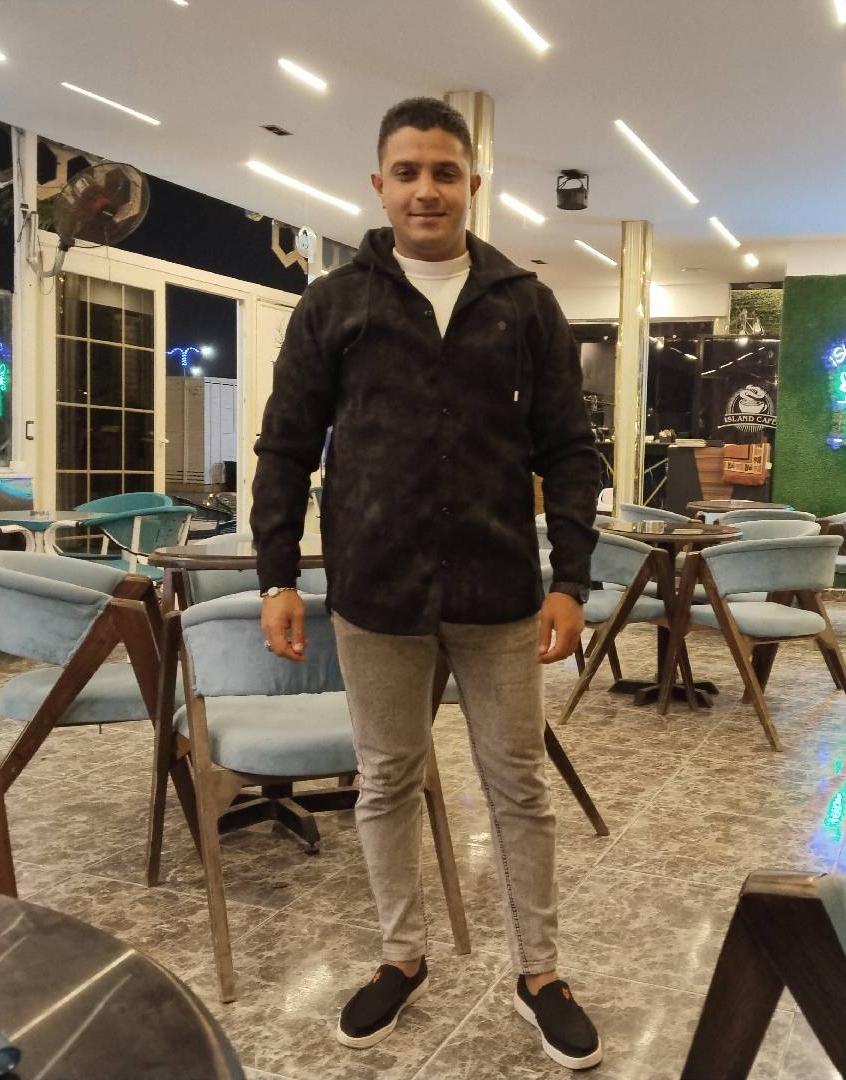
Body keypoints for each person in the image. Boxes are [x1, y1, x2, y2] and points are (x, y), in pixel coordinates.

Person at [251, 96, 602, 1070]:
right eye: (407, 172)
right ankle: (400, 956)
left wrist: (572, 580)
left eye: (444, 172)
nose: (426, 190)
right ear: (379, 185)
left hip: (499, 589)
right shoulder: (335, 304)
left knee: (518, 784)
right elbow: (284, 447)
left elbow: (571, 450)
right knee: (386, 781)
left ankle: (540, 973)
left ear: (472, 184)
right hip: (376, 590)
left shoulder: (524, 304)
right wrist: (276, 574)